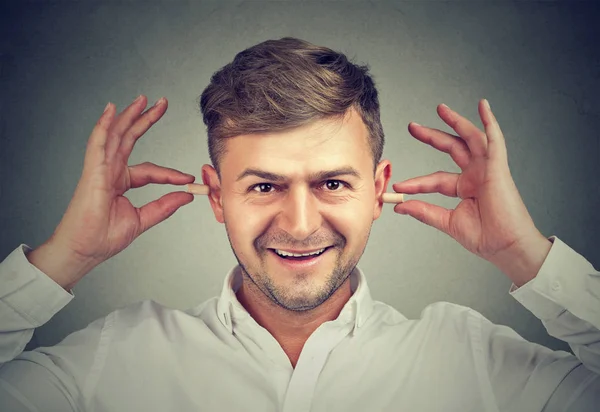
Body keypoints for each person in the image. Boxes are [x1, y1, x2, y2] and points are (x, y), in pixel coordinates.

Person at [0, 37, 598, 411]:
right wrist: (62, 260)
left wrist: (528, 257)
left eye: (332, 183)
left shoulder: (474, 365)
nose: (301, 222)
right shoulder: (117, 360)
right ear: (215, 196)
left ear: (379, 189)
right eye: (264, 186)